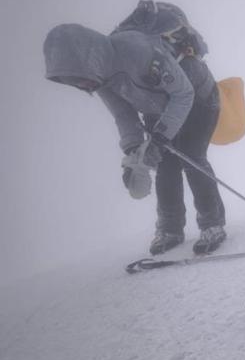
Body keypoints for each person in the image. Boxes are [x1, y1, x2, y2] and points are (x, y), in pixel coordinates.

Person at [43, 19, 227, 256]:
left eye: (77, 76)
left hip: (198, 96)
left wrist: (160, 137)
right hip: (158, 107)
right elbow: (123, 114)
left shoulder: (137, 50)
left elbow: (183, 93)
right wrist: (133, 152)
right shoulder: (99, 77)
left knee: (192, 155)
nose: (80, 85)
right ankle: (170, 229)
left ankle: (212, 224)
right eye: (73, 81)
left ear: (87, 58)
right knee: (162, 163)